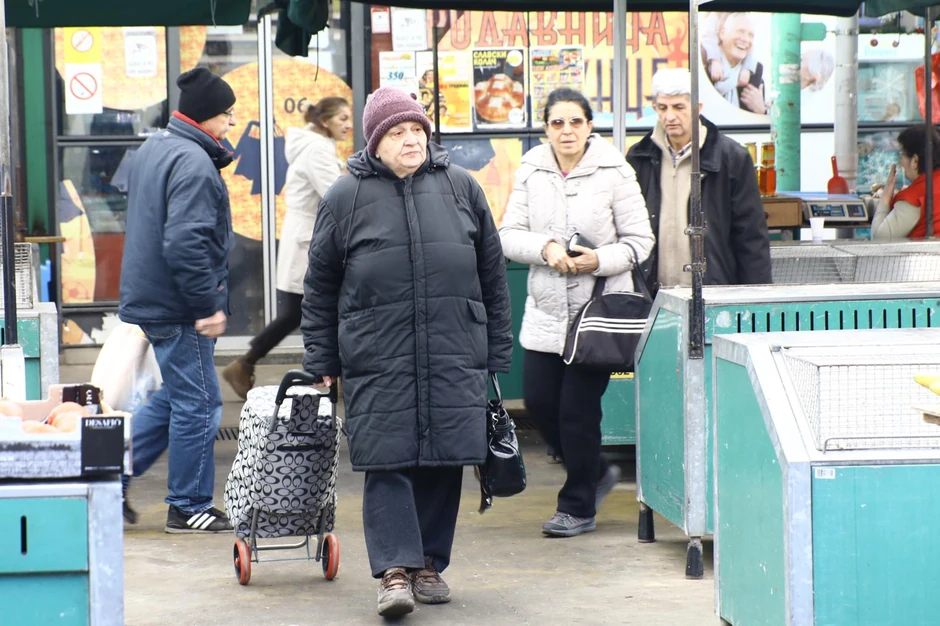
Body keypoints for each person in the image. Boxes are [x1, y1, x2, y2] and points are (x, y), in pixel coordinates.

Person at [301, 87, 513, 618]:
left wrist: (497, 352)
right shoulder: (345, 197)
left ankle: (428, 565)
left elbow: (493, 276)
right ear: (376, 142)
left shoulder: (462, 188)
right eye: (397, 132)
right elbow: (320, 286)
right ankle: (394, 571)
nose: (411, 139)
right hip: (378, 352)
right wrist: (321, 361)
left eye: (417, 129)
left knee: (445, 457)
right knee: (388, 458)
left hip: (453, 347)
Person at [499, 88, 655, 538]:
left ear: (590, 126)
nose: (566, 131)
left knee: (577, 412)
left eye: (575, 122)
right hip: (546, 314)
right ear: (546, 127)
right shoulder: (531, 168)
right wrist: (546, 249)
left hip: (595, 319)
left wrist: (596, 260)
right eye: (557, 123)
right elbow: (508, 234)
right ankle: (596, 472)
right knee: (540, 404)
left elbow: (640, 242)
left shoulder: (615, 171)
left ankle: (577, 505)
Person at [119, 67, 237, 533]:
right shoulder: (192, 163)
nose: (231, 123)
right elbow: (185, 242)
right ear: (208, 117)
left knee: (177, 395)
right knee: (202, 402)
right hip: (177, 305)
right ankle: (188, 505)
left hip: (156, 297)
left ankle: (113, 474)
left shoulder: (159, 146)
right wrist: (206, 305)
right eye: (227, 115)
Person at [223, 97, 351, 398]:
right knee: (312, 311)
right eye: (342, 118)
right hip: (310, 240)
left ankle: (249, 363)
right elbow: (336, 196)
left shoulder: (315, 146)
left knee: (303, 312)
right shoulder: (317, 150)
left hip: (307, 237)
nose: (348, 124)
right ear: (325, 122)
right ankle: (322, 377)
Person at [627, 68, 771, 291]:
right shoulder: (640, 157)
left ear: (698, 108)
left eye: (679, 107)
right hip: (652, 295)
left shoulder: (731, 159)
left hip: (713, 292)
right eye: (662, 108)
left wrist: (757, 298)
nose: (670, 116)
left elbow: (751, 237)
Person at [871, 124, 940, 240]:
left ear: (915, 161)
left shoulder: (914, 198)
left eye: (902, 155)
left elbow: (879, 238)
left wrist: (885, 198)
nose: (899, 162)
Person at [703, 13, 766, 115]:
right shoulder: (703, 67)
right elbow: (708, 38)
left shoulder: (754, 74)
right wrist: (714, 60)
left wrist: (762, 111)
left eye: (750, 35)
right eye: (740, 32)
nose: (745, 39)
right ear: (722, 33)